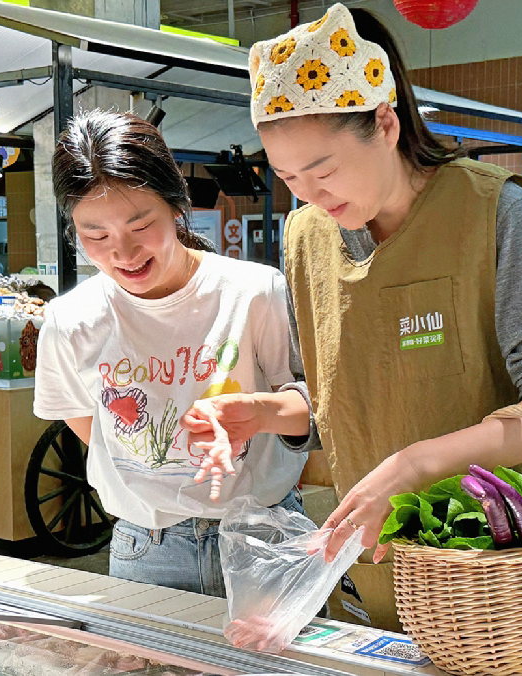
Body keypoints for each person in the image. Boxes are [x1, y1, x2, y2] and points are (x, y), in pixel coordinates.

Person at [182, 4, 522, 630]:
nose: (308, 195)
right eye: (287, 176)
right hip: (373, 562)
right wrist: (265, 412)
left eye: (323, 170)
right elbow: (344, 397)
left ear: (384, 122)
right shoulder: (305, 236)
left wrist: (414, 465)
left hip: (493, 569)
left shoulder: (495, 212)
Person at [33, 110, 313, 598]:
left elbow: (313, 409)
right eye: (96, 235)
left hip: (264, 533)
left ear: (177, 206)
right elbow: (88, 423)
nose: (123, 253)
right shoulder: (70, 319)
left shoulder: (253, 291)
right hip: (147, 547)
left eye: (141, 225)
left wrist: (258, 412)